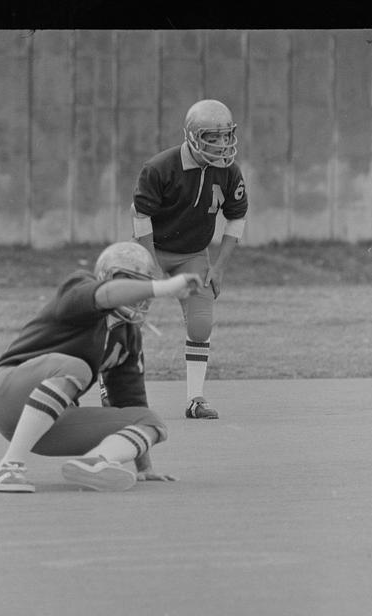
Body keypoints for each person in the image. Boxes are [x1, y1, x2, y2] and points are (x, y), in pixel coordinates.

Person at [0, 241, 203, 493]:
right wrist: (163, 287)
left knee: (151, 421)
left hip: (49, 421)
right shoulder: (78, 287)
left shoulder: (128, 337)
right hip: (9, 392)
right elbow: (106, 295)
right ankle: (7, 466)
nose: (138, 295)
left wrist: (143, 467)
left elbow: (129, 401)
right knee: (76, 367)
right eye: (131, 283)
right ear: (107, 277)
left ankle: (97, 461)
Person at [131, 99, 248, 419]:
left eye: (227, 136)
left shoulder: (229, 171)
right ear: (194, 136)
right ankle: (111, 385)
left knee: (200, 324)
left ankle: (195, 399)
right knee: (130, 318)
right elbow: (140, 215)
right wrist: (150, 264)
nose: (223, 144)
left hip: (193, 254)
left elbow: (236, 218)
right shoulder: (160, 167)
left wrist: (220, 267)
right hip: (151, 250)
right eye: (214, 137)